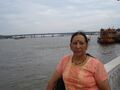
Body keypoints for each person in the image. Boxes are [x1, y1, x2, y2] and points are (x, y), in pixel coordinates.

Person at [46, 32, 111, 90]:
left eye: (81, 43)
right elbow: (52, 82)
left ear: (86, 46)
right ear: (70, 46)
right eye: (75, 43)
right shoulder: (65, 60)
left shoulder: (96, 64)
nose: (78, 46)